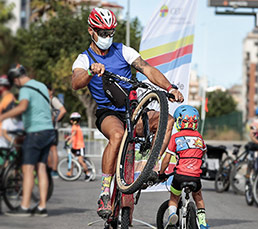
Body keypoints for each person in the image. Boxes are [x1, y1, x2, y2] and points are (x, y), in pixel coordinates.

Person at [72, 7, 184, 218]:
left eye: (110, 33)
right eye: (102, 33)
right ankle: (105, 191)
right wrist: (90, 71)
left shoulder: (123, 50)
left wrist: (170, 88)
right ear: (91, 31)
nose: (107, 37)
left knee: (167, 121)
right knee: (117, 135)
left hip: (133, 110)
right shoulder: (84, 58)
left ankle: (152, 167)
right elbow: (76, 82)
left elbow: (147, 69)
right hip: (109, 114)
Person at [0, 64, 55, 217]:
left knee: (28, 169)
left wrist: (3, 116)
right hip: (48, 131)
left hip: (35, 132)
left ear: (16, 79)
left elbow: (23, 107)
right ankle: (42, 207)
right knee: (41, 168)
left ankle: (24, 207)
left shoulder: (25, 89)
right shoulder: (42, 86)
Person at [159, 105, 210, 229]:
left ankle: (172, 217)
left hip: (180, 176)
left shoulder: (175, 137)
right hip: (195, 177)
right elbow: (203, 151)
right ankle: (203, 222)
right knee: (198, 197)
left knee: (174, 197)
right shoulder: (199, 138)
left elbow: (166, 159)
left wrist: (161, 173)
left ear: (179, 121)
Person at [47, 84, 67, 178]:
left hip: (52, 128)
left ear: (51, 91)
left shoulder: (53, 99)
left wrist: (55, 120)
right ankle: (50, 168)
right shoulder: (45, 100)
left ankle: (54, 170)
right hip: (46, 128)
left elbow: (63, 110)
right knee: (46, 149)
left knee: (53, 149)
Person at [65, 112, 92, 181]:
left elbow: (73, 134)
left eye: (76, 120)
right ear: (71, 121)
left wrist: (68, 142)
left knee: (80, 161)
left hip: (80, 147)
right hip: (74, 146)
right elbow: (73, 136)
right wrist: (69, 139)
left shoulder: (76, 127)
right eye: (73, 120)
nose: (75, 121)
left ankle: (88, 173)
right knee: (71, 159)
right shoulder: (74, 126)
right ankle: (70, 173)